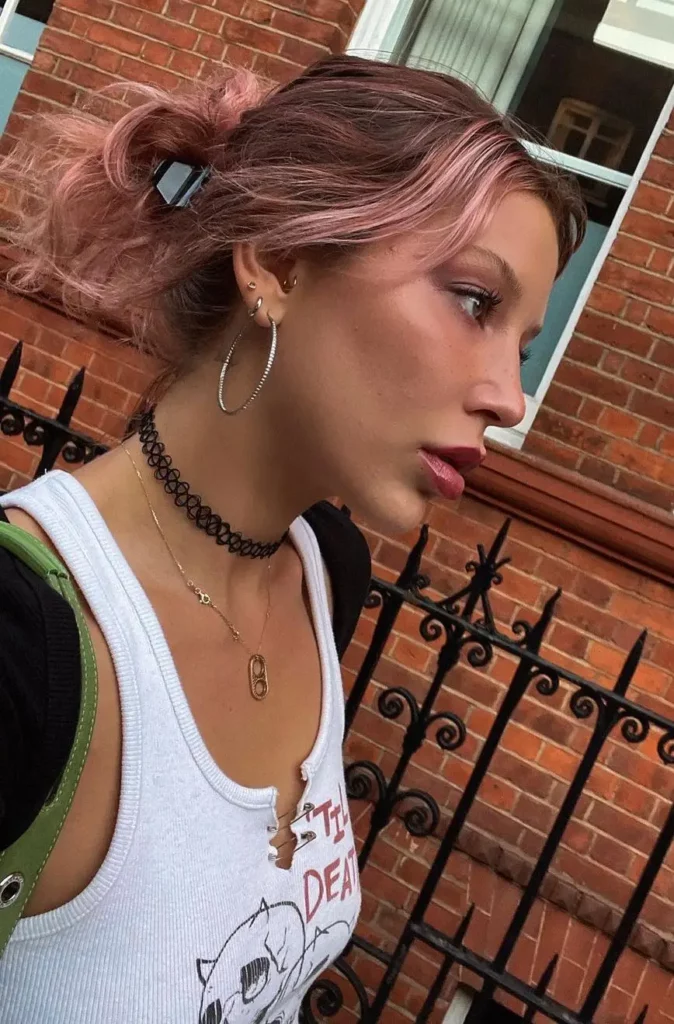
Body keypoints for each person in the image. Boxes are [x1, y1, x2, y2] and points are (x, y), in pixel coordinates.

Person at [0, 54, 585, 1022]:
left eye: (521, 343)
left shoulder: (326, 571)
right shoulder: (26, 646)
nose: (508, 398)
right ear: (275, 263)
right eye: (474, 301)